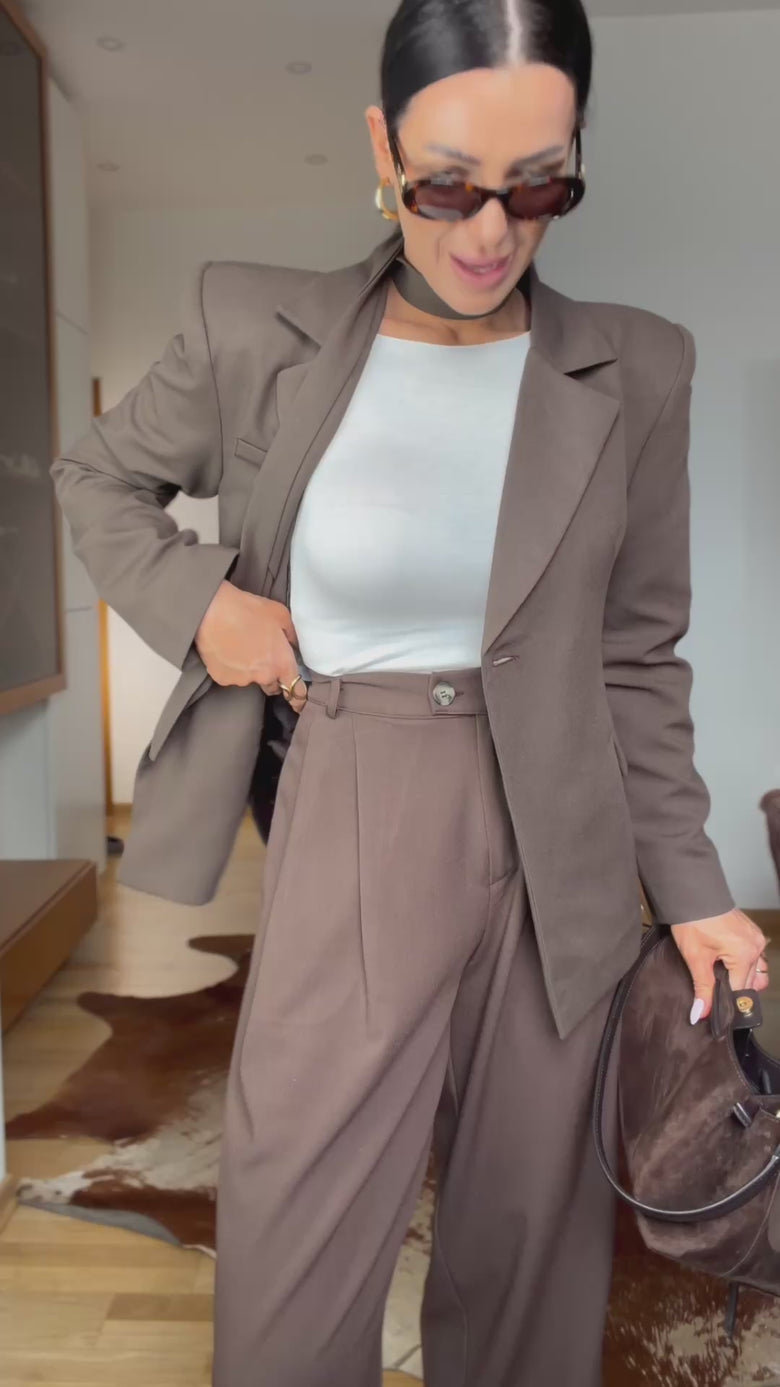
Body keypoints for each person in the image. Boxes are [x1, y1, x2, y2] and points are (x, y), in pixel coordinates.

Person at [50, 0, 771, 1383]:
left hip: (564, 839)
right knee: (298, 1226)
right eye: (447, 184)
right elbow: (98, 477)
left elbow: (635, 653)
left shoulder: (639, 368)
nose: (490, 232)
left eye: (538, 187)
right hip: (357, 800)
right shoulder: (256, 326)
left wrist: (693, 888)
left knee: (528, 1248)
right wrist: (204, 606)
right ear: (382, 148)